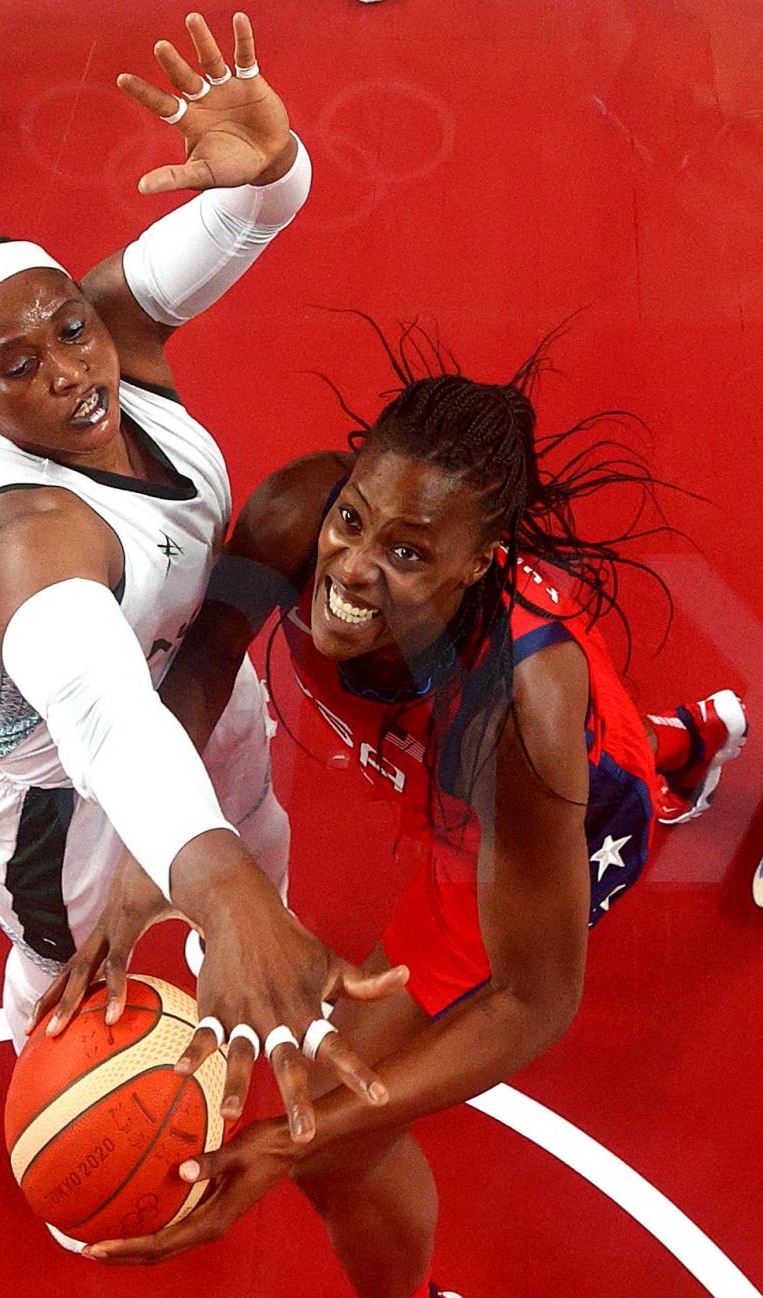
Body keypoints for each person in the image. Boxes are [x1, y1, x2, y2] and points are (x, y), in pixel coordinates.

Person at [42, 324, 747, 1295]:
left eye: (407, 550)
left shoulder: (515, 720)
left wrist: (301, 1141)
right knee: (573, 727)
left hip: (548, 803)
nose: (353, 566)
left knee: (334, 1139)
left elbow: (534, 998)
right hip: (483, 734)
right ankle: (684, 741)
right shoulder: (297, 514)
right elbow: (205, 659)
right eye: (357, 517)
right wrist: (141, 859)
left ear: (476, 564)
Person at [0, 12, 407, 1149]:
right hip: (43, 780)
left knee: (254, 827)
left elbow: (259, 206)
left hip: (185, 666)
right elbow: (105, 722)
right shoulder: (20, 536)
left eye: (71, 329)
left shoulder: (115, 336)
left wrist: (271, 159)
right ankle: (68, 1138)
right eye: (19, 368)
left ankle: (251, 967)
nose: (73, 371)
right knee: (72, 962)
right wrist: (210, 883)